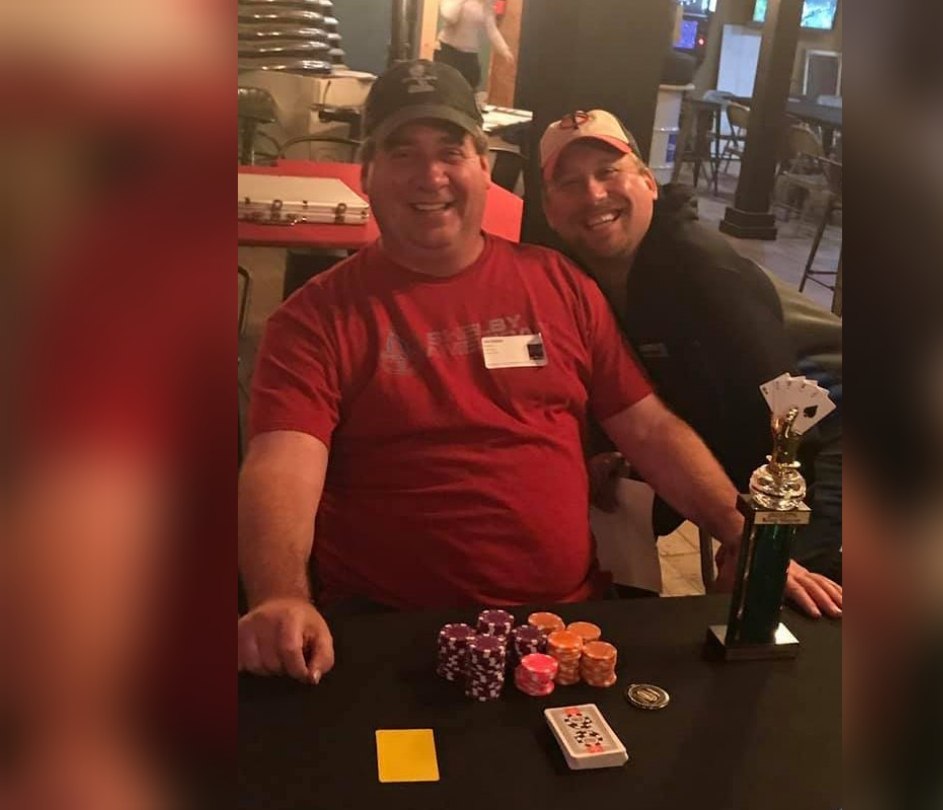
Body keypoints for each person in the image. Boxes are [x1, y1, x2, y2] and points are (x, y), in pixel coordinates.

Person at [237, 61, 824, 685]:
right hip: (389, 629)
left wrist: (746, 536)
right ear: (367, 175)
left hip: (567, 627)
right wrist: (279, 595)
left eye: (451, 151)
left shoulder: (559, 282)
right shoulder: (314, 318)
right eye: (402, 152)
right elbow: (283, 462)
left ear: (484, 166)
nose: (430, 175)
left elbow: (649, 429)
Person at [538, 109, 843, 608]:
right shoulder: (572, 273)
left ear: (648, 182)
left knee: (768, 596)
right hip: (723, 424)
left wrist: (754, 532)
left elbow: (790, 417)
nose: (593, 195)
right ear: (550, 209)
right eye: (570, 183)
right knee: (603, 513)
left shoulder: (704, 273)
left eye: (609, 172)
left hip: (824, 436)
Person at [434, 0, 514, 91]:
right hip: (447, 49)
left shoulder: (486, 4)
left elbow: (492, 29)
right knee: (446, 88)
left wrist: (504, 49)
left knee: (471, 84)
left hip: (469, 52)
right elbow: (449, 17)